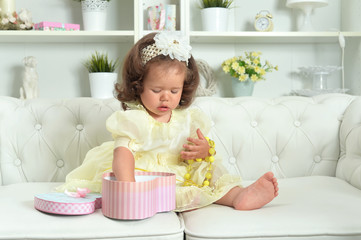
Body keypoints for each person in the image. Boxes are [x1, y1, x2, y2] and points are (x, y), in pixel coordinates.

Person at [57, 31, 278, 212]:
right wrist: (128, 187)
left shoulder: (189, 119)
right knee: (138, 184)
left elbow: (203, 148)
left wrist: (202, 151)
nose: (166, 97)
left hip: (179, 172)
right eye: (156, 90)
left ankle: (239, 196)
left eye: (174, 90)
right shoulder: (135, 119)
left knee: (210, 177)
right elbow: (122, 154)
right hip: (143, 174)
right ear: (138, 86)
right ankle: (135, 194)